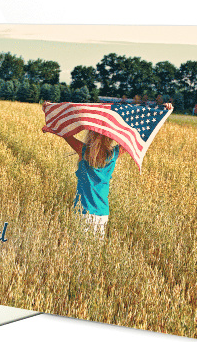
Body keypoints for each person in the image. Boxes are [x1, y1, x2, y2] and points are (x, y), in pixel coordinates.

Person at [43, 101, 173, 240]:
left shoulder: (83, 152)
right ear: (111, 137)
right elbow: (136, 136)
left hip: (82, 211)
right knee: (94, 254)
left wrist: (50, 115)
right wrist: (162, 113)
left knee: (78, 251)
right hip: (102, 214)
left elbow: (65, 134)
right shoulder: (112, 156)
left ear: (91, 134)